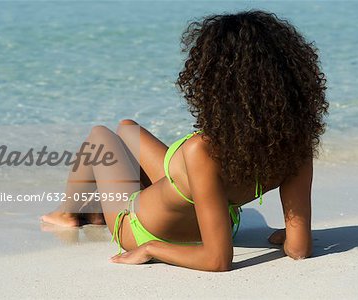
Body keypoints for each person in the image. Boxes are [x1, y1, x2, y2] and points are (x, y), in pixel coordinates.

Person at [42, 9, 329, 272]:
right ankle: (95, 211)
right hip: (221, 225)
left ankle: (67, 213)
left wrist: (151, 248)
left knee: (101, 138)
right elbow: (299, 248)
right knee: (127, 128)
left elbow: (217, 261)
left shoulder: (203, 149)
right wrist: (289, 234)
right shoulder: (295, 144)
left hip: (144, 231)